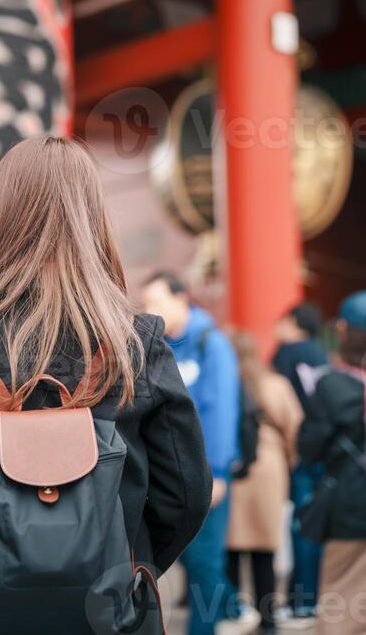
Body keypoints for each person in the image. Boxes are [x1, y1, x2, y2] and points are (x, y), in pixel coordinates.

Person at [0, 136, 212, 634]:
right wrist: (125, 568)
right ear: (93, 220)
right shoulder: (138, 342)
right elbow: (186, 493)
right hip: (112, 619)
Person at [141, 272, 252, 635]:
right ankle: (235, 607)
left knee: (204, 560)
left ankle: (210, 625)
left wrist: (218, 472)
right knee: (187, 556)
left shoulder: (211, 343)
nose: (149, 310)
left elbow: (222, 410)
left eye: (156, 302)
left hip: (207, 472)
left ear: (182, 298)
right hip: (173, 474)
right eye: (145, 304)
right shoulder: (161, 346)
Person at [297, 292, 366, 635]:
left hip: (351, 506)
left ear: (343, 330)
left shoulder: (331, 385)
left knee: (342, 604)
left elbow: (309, 448)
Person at [226, 332, 304, 633]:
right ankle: (268, 616)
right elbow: (295, 427)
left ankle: (233, 610)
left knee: (231, 545)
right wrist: (289, 459)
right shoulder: (275, 384)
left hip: (235, 468)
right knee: (264, 547)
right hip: (269, 466)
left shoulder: (226, 385)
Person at [272, 302, 328, 623]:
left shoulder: (287, 353)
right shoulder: (320, 354)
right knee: (314, 522)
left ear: (293, 322)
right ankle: (309, 597)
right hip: (323, 450)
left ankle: (301, 600)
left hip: (299, 452)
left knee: (300, 525)